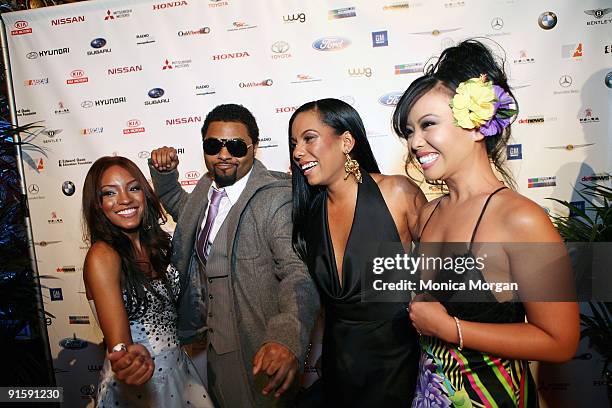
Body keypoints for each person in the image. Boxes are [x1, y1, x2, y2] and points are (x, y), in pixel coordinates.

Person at [393, 40, 580, 407]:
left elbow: (561, 341)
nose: (415, 142)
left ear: (478, 126)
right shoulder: (428, 215)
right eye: (409, 131)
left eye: (427, 125)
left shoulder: (520, 219)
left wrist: (452, 329)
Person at [143, 103, 319, 407]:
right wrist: (165, 175)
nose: (224, 155)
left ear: (254, 148)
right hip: (215, 349)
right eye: (214, 145)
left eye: (236, 146)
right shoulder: (206, 189)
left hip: (259, 348)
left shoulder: (275, 199)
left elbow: (297, 273)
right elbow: (184, 214)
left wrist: (285, 338)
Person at [288, 98, 427, 406]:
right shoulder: (310, 214)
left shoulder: (397, 193)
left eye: (309, 138)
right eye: (294, 143)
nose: (298, 152)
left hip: (399, 366)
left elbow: (443, 273)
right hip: (340, 369)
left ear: (346, 141)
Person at [82, 156, 213, 407]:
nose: (125, 199)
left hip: (180, 371)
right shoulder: (103, 255)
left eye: (133, 188)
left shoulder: (158, 246)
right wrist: (127, 358)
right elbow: (119, 345)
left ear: (145, 193)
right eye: (110, 193)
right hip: (140, 386)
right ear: (97, 205)